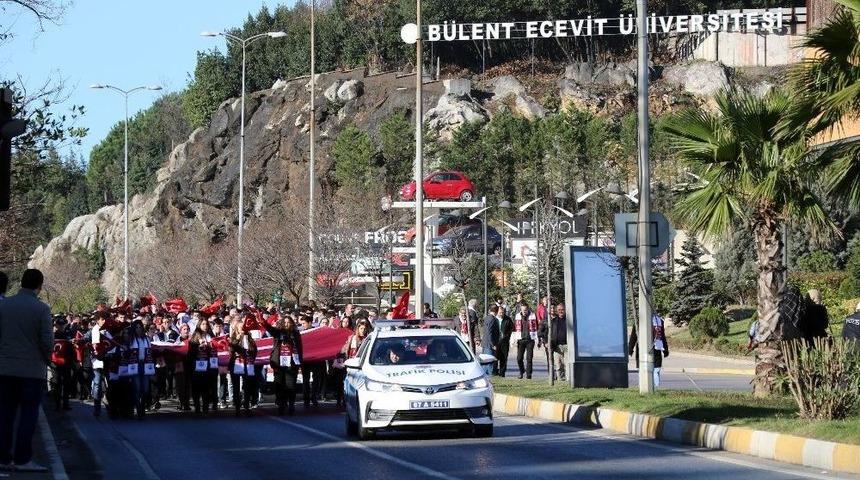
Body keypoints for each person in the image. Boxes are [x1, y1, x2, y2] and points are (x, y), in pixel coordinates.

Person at [0, 269, 53, 472]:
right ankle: (22, 458)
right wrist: (47, 360)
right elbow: (47, 342)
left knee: (5, 415)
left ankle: (3, 456)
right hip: (32, 369)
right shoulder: (41, 309)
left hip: (5, 368)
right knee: (28, 416)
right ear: (39, 286)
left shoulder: (5, 305)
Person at [265, 315, 303, 415]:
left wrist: (300, 362)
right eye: (284, 322)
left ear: (291, 323)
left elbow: (300, 348)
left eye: (288, 322)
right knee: (279, 384)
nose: (286, 324)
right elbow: (269, 328)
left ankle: (291, 404)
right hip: (278, 363)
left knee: (290, 385)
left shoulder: (295, 333)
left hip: (291, 363)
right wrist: (263, 321)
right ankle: (281, 403)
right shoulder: (278, 333)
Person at [228, 318, 257, 417]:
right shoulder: (233, 338)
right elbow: (231, 348)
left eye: (244, 328)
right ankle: (237, 406)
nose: (243, 329)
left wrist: (250, 353)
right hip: (236, 364)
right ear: (237, 329)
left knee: (247, 385)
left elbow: (254, 350)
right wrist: (238, 338)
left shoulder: (249, 338)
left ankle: (247, 404)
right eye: (241, 328)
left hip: (247, 364)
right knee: (236, 386)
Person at [127, 320, 154, 419]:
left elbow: (150, 351)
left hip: (145, 365)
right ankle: (139, 410)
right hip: (135, 365)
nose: (138, 329)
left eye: (140, 327)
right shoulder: (131, 340)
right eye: (136, 327)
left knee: (146, 389)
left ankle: (142, 406)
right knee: (137, 388)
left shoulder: (146, 339)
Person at [188, 319, 215, 415]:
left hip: (207, 366)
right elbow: (190, 353)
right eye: (203, 324)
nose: (205, 326)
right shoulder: (194, 337)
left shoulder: (209, 336)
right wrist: (198, 347)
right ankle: (197, 407)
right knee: (196, 388)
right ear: (199, 325)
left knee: (206, 388)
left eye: (206, 324)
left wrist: (209, 346)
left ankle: (205, 407)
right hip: (197, 366)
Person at [538, 303, 568, 382]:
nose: (561, 311)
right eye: (559, 310)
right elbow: (547, 333)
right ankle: (560, 380)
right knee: (558, 365)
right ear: (557, 311)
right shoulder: (553, 321)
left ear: (565, 310)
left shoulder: (569, 320)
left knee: (567, 364)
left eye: (562, 310)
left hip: (568, 345)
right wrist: (546, 342)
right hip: (557, 346)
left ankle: (568, 379)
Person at [514, 301, 537, 379]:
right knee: (519, 358)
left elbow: (537, 326)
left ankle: (528, 374)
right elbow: (515, 328)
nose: (524, 311)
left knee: (529, 358)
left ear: (528, 309)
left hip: (530, 339)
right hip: (520, 340)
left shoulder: (533, 316)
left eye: (525, 310)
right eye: (523, 310)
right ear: (521, 309)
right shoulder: (517, 316)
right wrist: (514, 339)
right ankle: (521, 371)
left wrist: (537, 339)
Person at [481, 306, 501, 375]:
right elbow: (489, 332)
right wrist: (493, 344)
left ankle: (485, 374)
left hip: (486, 343)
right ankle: (489, 374)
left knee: (485, 361)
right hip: (489, 344)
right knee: (489, 361)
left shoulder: (487, 318)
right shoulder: (492, 319)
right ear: (496, 311)